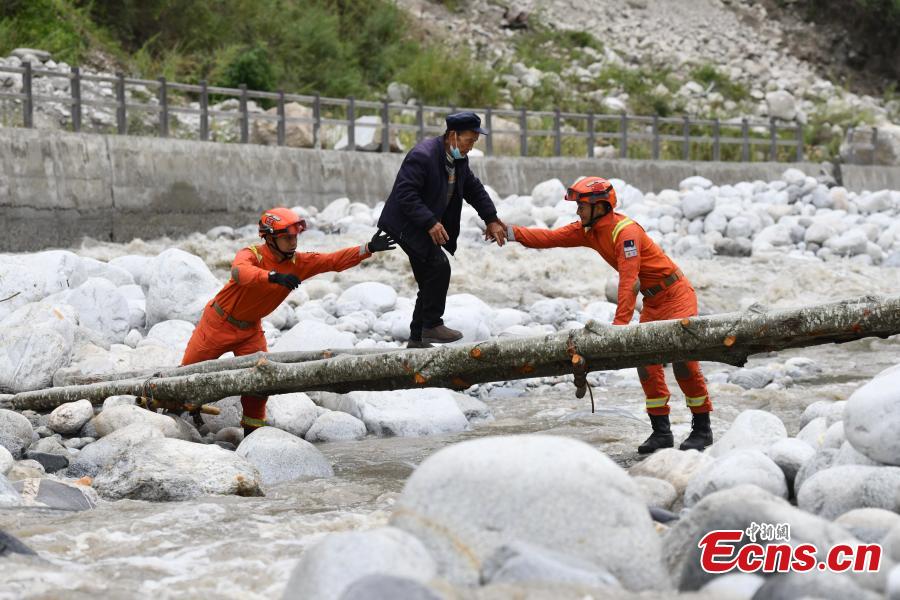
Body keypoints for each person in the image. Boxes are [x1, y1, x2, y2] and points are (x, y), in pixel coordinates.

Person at [504, 177, 714, 453]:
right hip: (653, 302)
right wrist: (508, 232)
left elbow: (629, 282)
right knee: (646, 365)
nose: (577, 211)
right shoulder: (588, 231)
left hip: (676, 295)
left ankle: (702, 430)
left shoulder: (625, 233)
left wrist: (618, 328)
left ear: (599, 206)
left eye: (581, 206)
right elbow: (549, 238)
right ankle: (662, 432)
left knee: (683, 363)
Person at [181, 207, 396, 435]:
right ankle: (175, 412)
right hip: (217, 324)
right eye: (287, 238)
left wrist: (368, 248)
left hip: (250, 332)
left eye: (295, 237)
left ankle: (252, 436)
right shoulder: (252, 254)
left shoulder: (299, 263)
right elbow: (239, 273)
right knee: (186, 376)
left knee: (259, 383)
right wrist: (272, 277)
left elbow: (332, 261)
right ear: (269, 238)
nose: (293, 243)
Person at [377, 111, 507, 348]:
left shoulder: (458, 159)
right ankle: (431, 326)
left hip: (423, 222)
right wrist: (430, 222)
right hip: (406, 223)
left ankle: (417, 339)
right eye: (469, 140)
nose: (471, 146)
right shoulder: (423, 156)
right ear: (453, 135)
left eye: (474, 142)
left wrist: (491, 218)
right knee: (438, 266)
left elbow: (474, 189)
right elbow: (406, 194)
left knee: (429, 278)